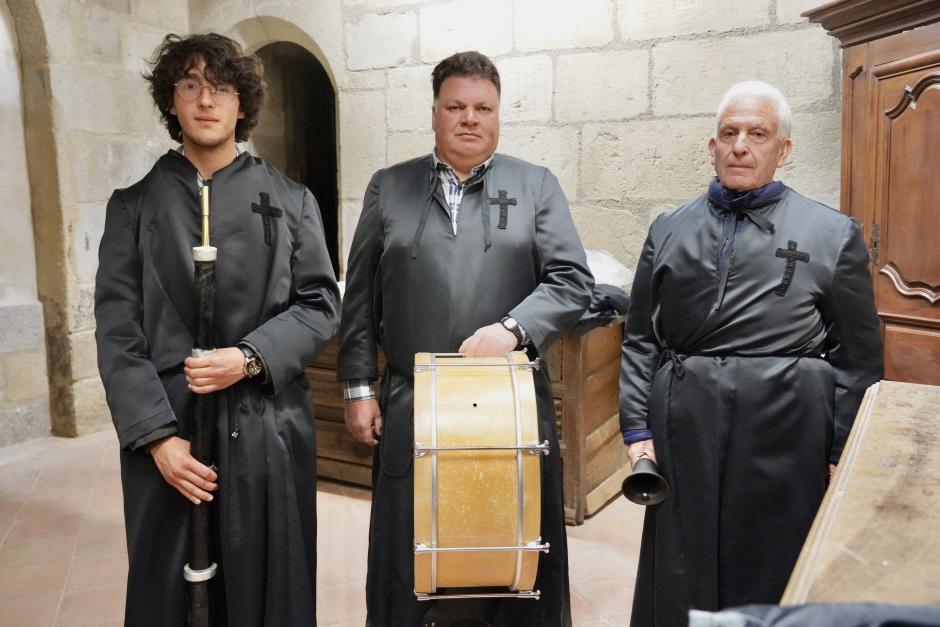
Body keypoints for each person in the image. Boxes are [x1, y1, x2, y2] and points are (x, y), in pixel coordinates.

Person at [338, 51, 594, 627]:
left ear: (499, 115)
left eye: (483, 108)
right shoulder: (389, 187)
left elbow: (571, 280)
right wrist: (358, 386)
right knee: (412, 540)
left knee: (513, 536)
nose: (469, 119)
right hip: (414, 400)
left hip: (509, 401)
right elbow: (361, 296)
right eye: (456, 106)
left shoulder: (536, 186)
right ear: (434, 114)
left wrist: (514, 328)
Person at [94, 33, 340, 626]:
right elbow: (117, 331)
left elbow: (320, 304)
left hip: (267, 429)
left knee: (268, 589)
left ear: (242, 105)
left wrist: (250, 357)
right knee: (169, 596)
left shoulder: (292, 201)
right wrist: (156, 438)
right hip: (172, 438)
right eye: (190, 86)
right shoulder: (131, 207)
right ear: (171, 102)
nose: (206, 101)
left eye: (221, 88)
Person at [619, 80, 884, 627]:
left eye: (757, 134)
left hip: (787, 422)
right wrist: (637, 427)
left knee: (772, 552)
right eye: (729, 133)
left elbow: (857, 354)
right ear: (712, 145)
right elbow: (641, 335)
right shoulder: (668, 228)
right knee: (682, 554)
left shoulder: (832, 233)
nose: (740, 145)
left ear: (782, 149)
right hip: (685, 416)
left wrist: (842, 447)